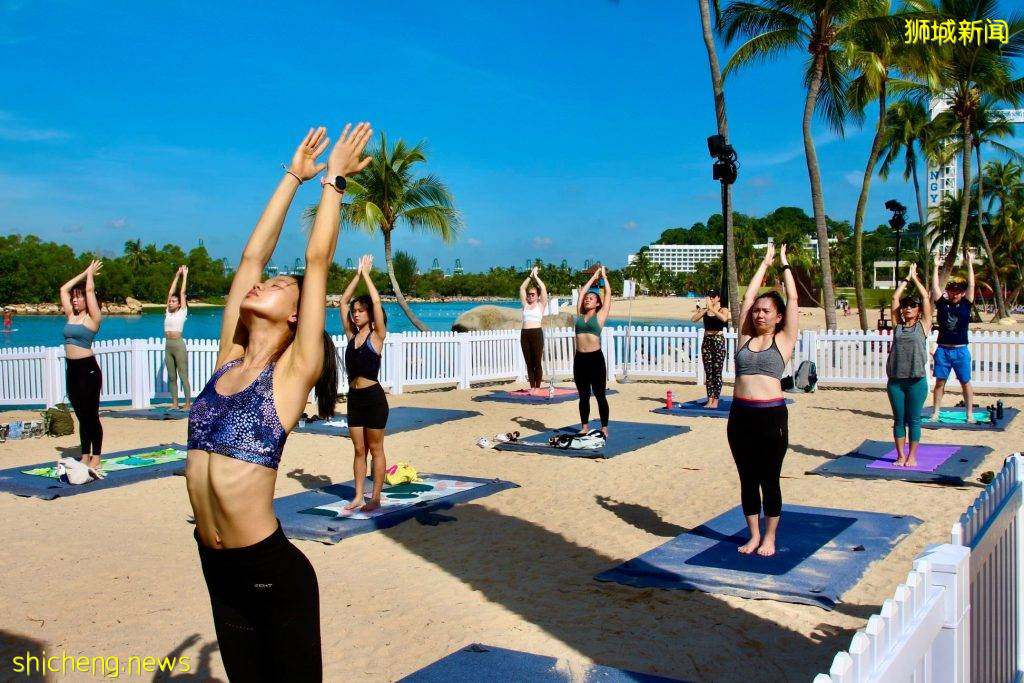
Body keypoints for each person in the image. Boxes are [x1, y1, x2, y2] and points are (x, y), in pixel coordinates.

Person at [186, 123, 371, 681]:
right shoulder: (228, 360)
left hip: (269, 570)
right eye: (264, 282)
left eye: (277, 286)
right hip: (215, 566)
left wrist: (333, 182)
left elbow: (317, 263)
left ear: (296, 314)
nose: (261, 283)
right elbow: (251, 256)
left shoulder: (290, 375)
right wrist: (293, 176)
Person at [729, 244, 798, 557]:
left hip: (771, 418)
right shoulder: (745, 337)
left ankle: (770, 537)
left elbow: (793, 299)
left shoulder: (783, 341)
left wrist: (783, 264)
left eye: (765, 311)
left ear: (778, 317)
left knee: (769, 479)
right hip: (740, 416)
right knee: (747, 479)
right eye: (757, 311)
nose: (758, 314)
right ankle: (754, 535)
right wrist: (764, 263)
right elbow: (747, 297)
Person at [339, 254, 389, 512]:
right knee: (359, 450)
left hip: (373, 399)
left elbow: (377, 301)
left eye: (361, 311)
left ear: (370, 314)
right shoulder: (352, 336)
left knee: (375, 448)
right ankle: (359, 496)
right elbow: (342, 302)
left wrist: (368, 276)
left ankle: (375, 497)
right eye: (355, 312)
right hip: (355, 399)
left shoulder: (377, 336)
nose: (356, 314)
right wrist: (357, 275)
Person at [886, 264, 932, 467]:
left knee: (914, 419)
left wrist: (916, 279)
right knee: (899, 420)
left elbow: (926, 298)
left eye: (912, 306)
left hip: (916, 381)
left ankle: (912, 456)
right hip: (896, 381)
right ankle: (900, 456)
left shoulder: (923, 326)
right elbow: (894, 298)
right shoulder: (897, 326)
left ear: (918, 310)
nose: (907, 308)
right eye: (905, 306)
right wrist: (906, 279)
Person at [60, 259, 104, 469]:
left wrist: (90, 276)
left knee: (91, 415)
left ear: (87, 300)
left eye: (78, 297)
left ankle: (97, 456)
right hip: (72, 370)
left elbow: (89, 289)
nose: (75, 300)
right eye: (74, 298)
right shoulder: (71, 316)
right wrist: (84, 272)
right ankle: (85, 454)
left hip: (88, 370)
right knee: (80, 415)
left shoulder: (93, 318)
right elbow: (63, 289)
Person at [930, 251, 975, 422]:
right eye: (951, 291)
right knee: (940, 382)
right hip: (943, 350)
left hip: (961, 350)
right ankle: (936, 412)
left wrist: (969, 263)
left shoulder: (966, 304)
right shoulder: (942, 304)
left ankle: (969, 413)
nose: (954, 294)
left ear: (962, 293)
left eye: (958, 292)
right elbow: (935, 287)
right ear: (948, 292)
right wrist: (936, 267)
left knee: (965, 382)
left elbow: (972, 285)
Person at [574, 265, 613, 437]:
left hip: (595, 360)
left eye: (591, 298)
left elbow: (608, 294)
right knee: (583, 396)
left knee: (599, 395)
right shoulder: (579, 315)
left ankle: (604, 427)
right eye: (587, 298)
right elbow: (582, 292)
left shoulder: (600, 316)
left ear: (597, 303)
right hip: (580, 360)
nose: (587, 299)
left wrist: (603, 276)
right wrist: (594, 277)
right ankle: (584, 426)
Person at [690, 288, 730, 409]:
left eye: (713, 296)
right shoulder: (705, 310)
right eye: (709, 296)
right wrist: (706, 309)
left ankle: (715, 400)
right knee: (709, 372)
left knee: (717, 372)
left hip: (718, 340)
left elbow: (724, 319)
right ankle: (710, 399)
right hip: (707, 340)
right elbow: (693, 319)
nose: (711, 298)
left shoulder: (723, 309)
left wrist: (712, 308)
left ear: (718, 298)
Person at [519, 266, 549, 395]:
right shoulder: (525, 305)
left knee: (537, 362)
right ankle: (532, 386)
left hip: (536, 333)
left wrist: (536, 276)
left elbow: (543, 288)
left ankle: (538, 387)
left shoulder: (541, 305)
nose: (530, 296)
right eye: (529, 294)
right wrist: (530, 275)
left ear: (537, 296)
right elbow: (522, 288)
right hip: (525, 334)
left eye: (533, 294)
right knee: (529, 362)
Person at [165, 265, 191, 410]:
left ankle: (187, 403)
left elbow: (182, 292)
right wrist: (176, 275)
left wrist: (184, 275)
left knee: (182, 375)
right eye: (170, 301)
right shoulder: (167, 312)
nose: (170, 303)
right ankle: (175, 403)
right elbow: (171, 292)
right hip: (168, 345)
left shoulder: (182, 312)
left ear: (180, 304)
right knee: (171, 376)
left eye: (173, 301)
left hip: (178, 345)